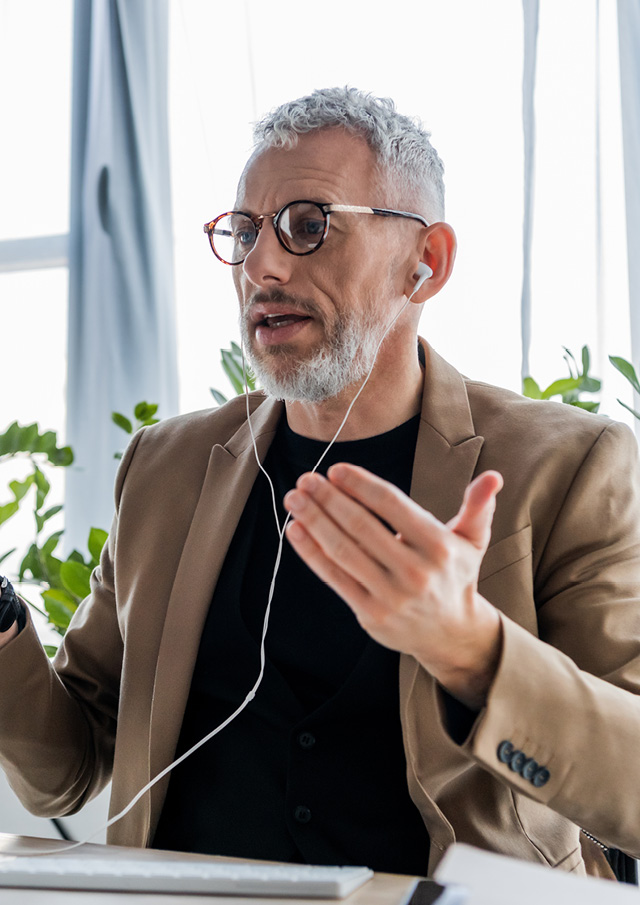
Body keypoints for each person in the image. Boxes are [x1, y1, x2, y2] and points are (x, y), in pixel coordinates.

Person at [1, 87, 640, 881]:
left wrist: (474, 652)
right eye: (244, 232)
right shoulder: (165, 467)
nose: (261, 265)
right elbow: (62, 771)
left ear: (426, 263)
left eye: (310, 225)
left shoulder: (570, 465)